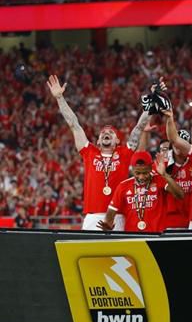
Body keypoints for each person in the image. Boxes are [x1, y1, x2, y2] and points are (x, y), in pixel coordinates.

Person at [46, 75, 151, 231]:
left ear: (117, 141)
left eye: (111, 132)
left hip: (118, 216)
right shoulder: (89, 152)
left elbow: (139, 127)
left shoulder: (124, 152)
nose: (106, 133)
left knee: (118, 255)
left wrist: (151, 106)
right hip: (93, 216)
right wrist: (60, 98)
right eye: (103, 133)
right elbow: (74, 124)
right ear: (98, 141)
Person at [97, 151, 184, 232]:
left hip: (156, 236)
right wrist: (108, 226)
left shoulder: (159, 180)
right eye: (137, 173)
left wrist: (164, 174)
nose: (141, 177)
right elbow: (111, 211)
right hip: (132, 237)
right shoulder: (123, 186)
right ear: (132, 170)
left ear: (150, 168)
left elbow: (180, 195)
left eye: (145, 173)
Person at [163, 109, 192, 230]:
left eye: (183, 143)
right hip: (172, 221)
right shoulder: (163, 164)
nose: (179, 147)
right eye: (177, 143)